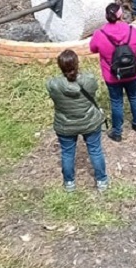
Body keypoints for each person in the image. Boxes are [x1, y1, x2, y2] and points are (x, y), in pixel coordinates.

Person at [47, 50, 110, 193]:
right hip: (90, 121)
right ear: (77, 64)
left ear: (60, 67)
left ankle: (69, 183)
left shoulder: (53, 84)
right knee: (95, 151)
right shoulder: (89, 80)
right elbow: (93, 90)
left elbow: (51, 87)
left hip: (65, 124)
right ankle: (102, 181)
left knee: (67, 153)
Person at [89, 3, 136, 142]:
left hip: (112, 75)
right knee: (134, 97)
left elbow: (93, 49)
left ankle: (117, 132)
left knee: (116, 102)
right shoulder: (131, 30)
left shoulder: (100, 34)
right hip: (133, 72)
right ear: (121, 15)